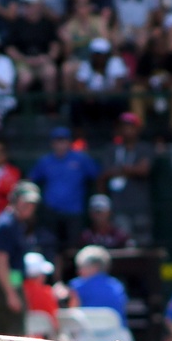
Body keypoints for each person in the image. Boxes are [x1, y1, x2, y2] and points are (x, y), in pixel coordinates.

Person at [29, 127, 100, 250]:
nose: (60, 144)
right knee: (51, 246)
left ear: (69, 142)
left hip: (74, 212)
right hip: (51, 212)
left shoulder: (81, 159)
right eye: (57, 141)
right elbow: (31, 180)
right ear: (52, 143)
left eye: (63, 140)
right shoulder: (45, 161)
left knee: (73, 247)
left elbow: (97, 175)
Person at [0, 177, 39, 336]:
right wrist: (11, 294)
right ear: (15, 200)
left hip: (9, 284)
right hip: (2, 287)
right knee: (13, 340)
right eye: (25, 202)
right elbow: (0, 261)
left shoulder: (16, 224)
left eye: (32, 204)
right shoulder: (6, 226)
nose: (29, 207)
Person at [98, 111, 154, 245]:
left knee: (143, 243)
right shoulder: (111, 149)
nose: (127, 130)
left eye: (131, 126)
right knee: (122, 242)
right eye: (124, 126)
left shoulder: (144, 148)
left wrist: (120, 169)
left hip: (140, 205)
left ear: (137, 129)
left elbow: (144, 170)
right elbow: (105, 173)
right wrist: (131, 169)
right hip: (119, 206)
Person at [67, 244, 129, 326]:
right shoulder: (118, 285)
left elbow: (72, 315)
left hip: (87, 336)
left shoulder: (77, 286)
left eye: (81, 267)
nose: (78, 271)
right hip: (117, 335)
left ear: (94, 267)